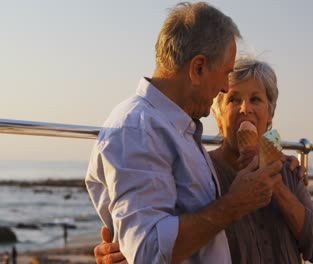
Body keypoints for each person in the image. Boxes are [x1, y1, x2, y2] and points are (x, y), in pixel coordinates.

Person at [86, 2, 291, 263]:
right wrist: (234, 204)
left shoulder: (177, 128)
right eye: (225, 74)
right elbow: (148, 250)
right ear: (199, 68)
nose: (225, 88)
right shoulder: (137, 129)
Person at [93, 57, 313, 263]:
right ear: (217, 115)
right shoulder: (197, 171)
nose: (244, 109)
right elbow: (156, 239)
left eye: (256, 100)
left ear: (269, 115)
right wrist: (124, 253)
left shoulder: (288, 170)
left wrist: (277, 184)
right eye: (233, 99)